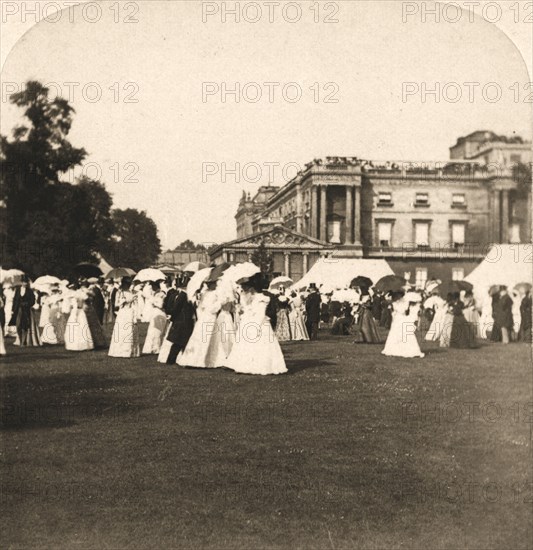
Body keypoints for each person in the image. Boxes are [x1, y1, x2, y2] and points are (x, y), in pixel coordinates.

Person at [225, 273, 287, 375]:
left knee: (260, 346)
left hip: (259, 323)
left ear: (252, 288)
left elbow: (260, 314)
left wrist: (255, 324)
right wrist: (243, 309)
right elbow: (247, 309)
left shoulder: (262, 298)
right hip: (249, 321)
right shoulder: (249, 298)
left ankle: (259, 365)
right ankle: (244, 363)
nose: (245, 290)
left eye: (247, 288)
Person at [177, 281, 220, 367]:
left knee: (206, 336)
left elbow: (206, 306)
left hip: (207, 316)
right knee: (203, 336)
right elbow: (208, 306)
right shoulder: (210, 293)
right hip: (208, 316)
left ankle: (200, 358)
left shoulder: (210, 293)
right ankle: (198, 359)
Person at [159, 275, 196, 364]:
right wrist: (172, 316)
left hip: (184, 320)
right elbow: (176, 308)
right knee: (179, 342)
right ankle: (171, 360)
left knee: (181, 341)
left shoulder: (183, 295)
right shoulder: (183, 295)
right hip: (183, 320)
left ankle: (177, 359)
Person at [382, 291, 424, 358]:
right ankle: (394, 349)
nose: (399, 298)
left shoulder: (404, 303)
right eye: (397, 297)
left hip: (402, 319)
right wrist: (392, 309)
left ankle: (408, 350)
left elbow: (403, 310)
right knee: (395, 334)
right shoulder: (394, 303)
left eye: (400, 296)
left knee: (405, 334)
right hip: (397, 319)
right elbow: (395, 312)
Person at [108, 277, 140, 357]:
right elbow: (116, 304)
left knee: (130, 330)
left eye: (128, 284)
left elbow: (135, 305)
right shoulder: (119, 292)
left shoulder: (131, 292)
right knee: (121, 331)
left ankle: (131, 351)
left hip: (130, 312)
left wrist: (133, 300)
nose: (128, 285)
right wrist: (124, 301)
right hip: (122, 312)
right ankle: (120, 351)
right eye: (126, 284)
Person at [9, 277, 41, 347]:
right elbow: (15, 300)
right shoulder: (17, 290)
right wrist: (12, 310)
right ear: (21, 282)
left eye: (26, 282)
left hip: (26, 310)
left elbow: (32, 301)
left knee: (25, 325)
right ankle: (20, 340)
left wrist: (27, 303)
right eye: (24, 282)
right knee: (18, 325)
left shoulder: (30, 291)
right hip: (18, 310)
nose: (25, 284)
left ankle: (23, 342)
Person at [142, 282, 167, 355]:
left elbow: (161, 304)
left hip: (159, 312)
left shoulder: (162, 294)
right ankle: (150, 348)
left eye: (153, 286)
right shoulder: (154, 294)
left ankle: (156, 348)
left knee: (158, 331)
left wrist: (155, 303)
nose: (152, 288)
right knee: (151, 331)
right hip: (154, 312)